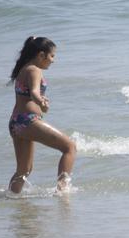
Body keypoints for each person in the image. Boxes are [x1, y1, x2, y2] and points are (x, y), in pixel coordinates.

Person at [7, 36, 77, 194]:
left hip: (16, 122)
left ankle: (11, 197)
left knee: (23, 170)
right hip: (27, 121)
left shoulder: (24, 68)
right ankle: (63, 191)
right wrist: (41, 102)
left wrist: (40, 104)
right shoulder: (34, 70)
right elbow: (33, 93)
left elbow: (27, 95)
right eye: (51, 56)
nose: (53, 60)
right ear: (41, 55)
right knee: (69, 147)